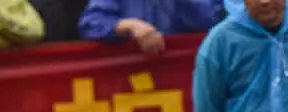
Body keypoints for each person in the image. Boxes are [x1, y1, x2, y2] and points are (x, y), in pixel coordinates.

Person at [78, 0, 223, 55]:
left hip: (186, 80)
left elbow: (213, 20)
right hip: (133, 81)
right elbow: (90, 24)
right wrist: (128, 25)